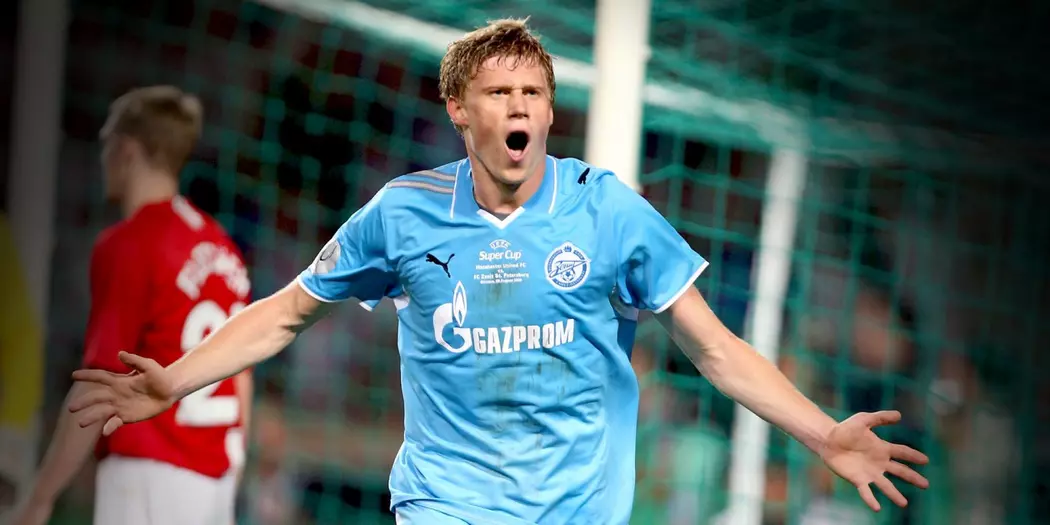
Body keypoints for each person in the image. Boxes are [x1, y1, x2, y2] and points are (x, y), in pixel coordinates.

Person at [67, 21, 929, 525]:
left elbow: (715, 349)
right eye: (498, 93)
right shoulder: (402, 213)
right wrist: (173, 379)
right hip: (446, 504)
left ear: (549, 112)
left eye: (533, 94)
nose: (519, 107)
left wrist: (824, 434)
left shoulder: (609, 211)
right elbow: (288, 311)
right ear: (459, 110)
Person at [11, 86, 253, 525]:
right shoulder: (224, 248)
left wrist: (40, 498)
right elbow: (242, 372)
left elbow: (98, 384)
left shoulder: (129, 244)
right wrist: (233, 470)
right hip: (216, 481)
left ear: (125, 150)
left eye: (106, 142)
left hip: (149, 474)